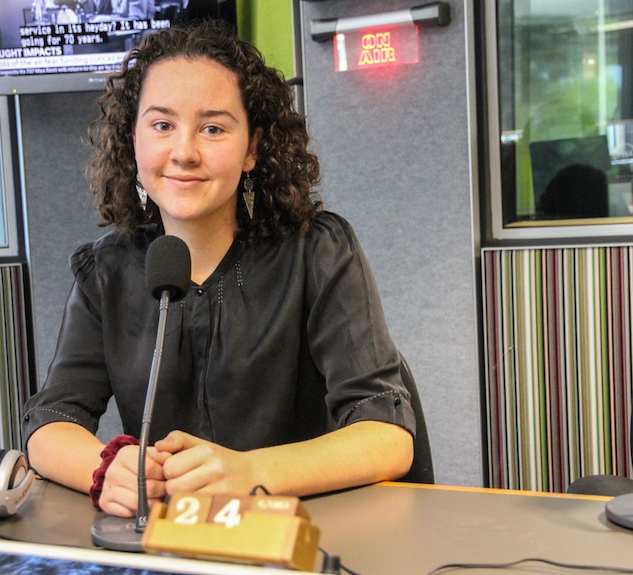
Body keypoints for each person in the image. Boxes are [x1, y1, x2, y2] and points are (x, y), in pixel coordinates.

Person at [21, 19, 415, 518]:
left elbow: (387, 436)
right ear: (133, 142)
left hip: (301, 535)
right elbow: (51, 419)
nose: (184, 152)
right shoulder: (108, 270)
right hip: (166, 539)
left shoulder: (316, 252)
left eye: (212, 128)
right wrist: (106, 468)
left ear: (252, 148)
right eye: (162, 125)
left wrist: (251, 473)